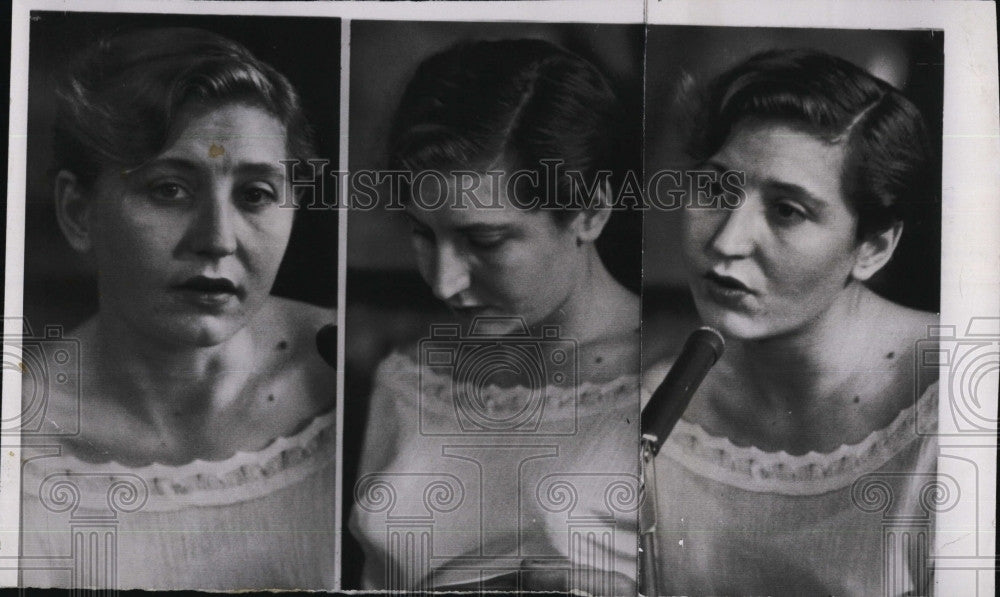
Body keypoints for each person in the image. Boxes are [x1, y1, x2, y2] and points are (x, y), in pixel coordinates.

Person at [19, 28, 337, 591]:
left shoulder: (346, 379)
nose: (217, 239)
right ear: (77, 212)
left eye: (256, 195)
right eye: (169, 190)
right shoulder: (19, 445)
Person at [642, 48, 940, 595]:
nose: (726, 243)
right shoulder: (652, 411)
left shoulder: (961, 404)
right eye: (715, 190)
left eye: (787, 211)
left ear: (873, 247)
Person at [348, 39, 641, 592]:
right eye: (421, 233)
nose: (443, 281)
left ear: (591, 211)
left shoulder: (679, 383)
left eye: (484, 239)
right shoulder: (407, 375)